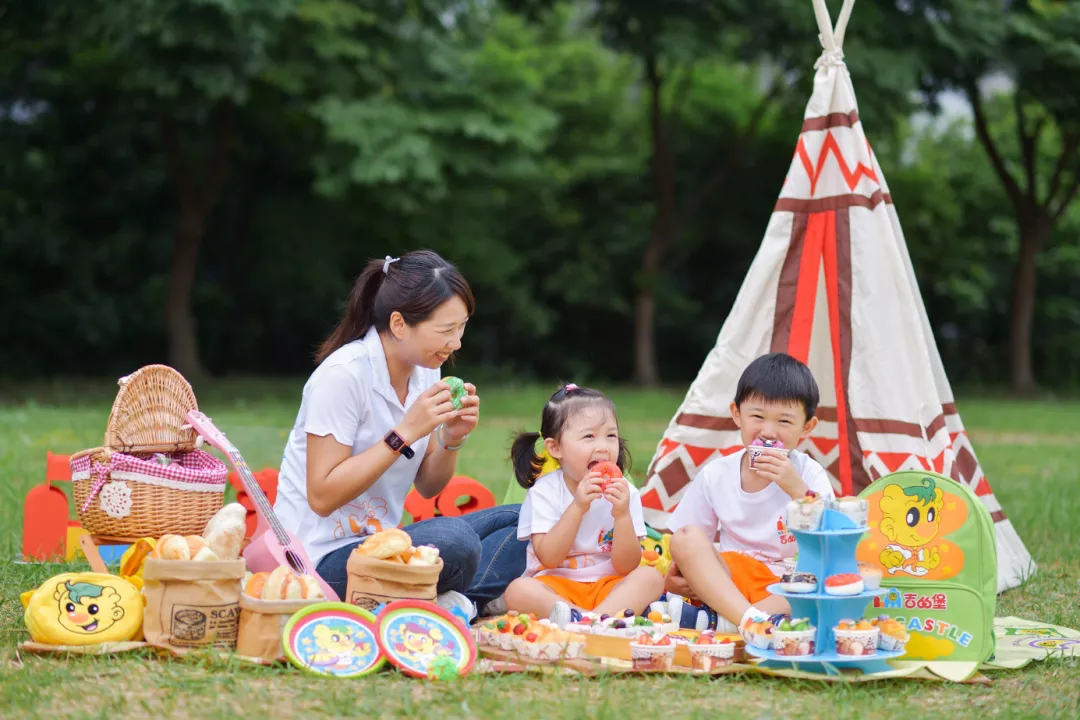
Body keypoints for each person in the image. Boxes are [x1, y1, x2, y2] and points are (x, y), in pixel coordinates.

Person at [273, 250, 526, 617]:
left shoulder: (424, 370)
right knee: (453, 542)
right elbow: (322, 496)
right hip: (318, 559)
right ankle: (451, 601)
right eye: (445, 331)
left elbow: (427, 486)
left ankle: (461, 602)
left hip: (380, 544)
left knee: (526, 520)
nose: (456, 343)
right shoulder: (343, 376)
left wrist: (451, 438)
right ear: (399, 324)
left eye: (462, 327)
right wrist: (405, 432)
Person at [664, 352, 835, 633]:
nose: (768, 432)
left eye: (784, 421)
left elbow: (831, 541)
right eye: (757, 416)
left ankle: (730, 621)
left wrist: (797, 489)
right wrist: (676, 579)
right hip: (731, 579)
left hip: (787, 584)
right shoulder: (717, 474)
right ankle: (754, 622)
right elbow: (688, 543)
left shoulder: (808, 474)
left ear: (807, 427)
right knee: (684, 538)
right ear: (737, 415)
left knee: (825, 578)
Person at [504, 384, 664, 626]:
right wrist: (578, 507)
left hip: (610, 585)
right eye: (589, 436)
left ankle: (587, 622)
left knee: (650, 577)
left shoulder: (625, 492)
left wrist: (622, 516)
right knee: (518, 591)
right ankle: (596, 621)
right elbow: (548, 557)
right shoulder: (544, 492)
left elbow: (626, 565)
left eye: (611, 435)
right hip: (557, 585)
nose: (603, 446)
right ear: (555, 448)